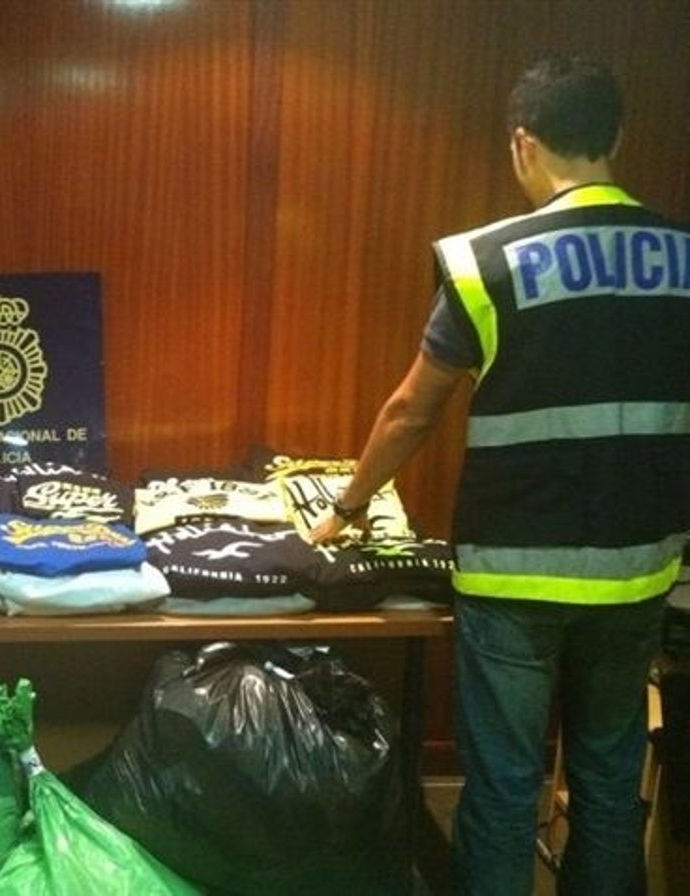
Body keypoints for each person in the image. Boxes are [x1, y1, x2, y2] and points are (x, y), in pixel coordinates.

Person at [309, 55, 690, 895]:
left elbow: (411, 411)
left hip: (515, 575)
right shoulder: (682, 255)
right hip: (637, 573)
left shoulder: (489, 261)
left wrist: (347, 506)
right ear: (617, 137)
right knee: (608, 785)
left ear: (524, 143)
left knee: (506, 791)